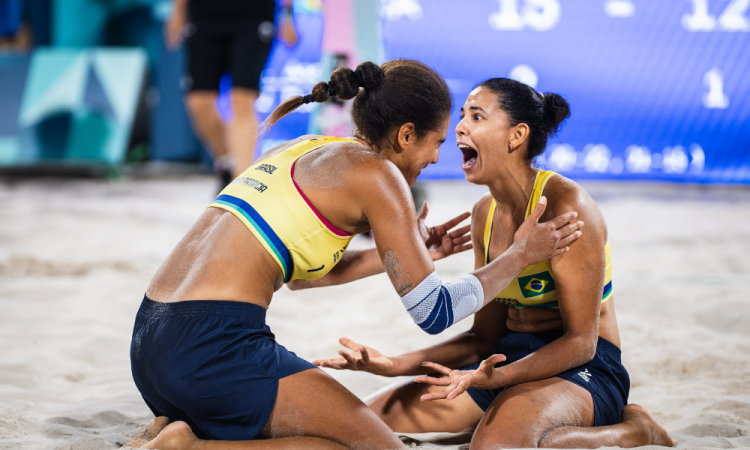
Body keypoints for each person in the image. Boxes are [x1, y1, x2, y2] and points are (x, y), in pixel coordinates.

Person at [125, 61, 584, 449]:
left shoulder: (307, 147)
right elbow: (434, 310)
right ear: (406, 135)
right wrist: (520, 255)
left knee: (340, 432)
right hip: (212, 348)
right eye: (437, 142)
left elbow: (303, 277)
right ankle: (194, 445)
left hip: (150, 342)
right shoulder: (380, 175)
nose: (435, 157)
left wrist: (409, 252)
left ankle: (188, 427)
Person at [313, 78, 676, 449]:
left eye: (477, 116)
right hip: (503, 360)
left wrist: (499, 379)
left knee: (495, 446)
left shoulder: (567, 207)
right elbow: (482, 337)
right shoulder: (484, 213)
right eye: (463, 115)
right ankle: (494, 426)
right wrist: (392, 364)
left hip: (583, 368)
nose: (460, 126)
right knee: (362, 427)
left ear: (516, 135)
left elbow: (581, 342)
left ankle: (636, 429)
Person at [164, 0, 293, 187]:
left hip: (253, 14)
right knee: (199, 102)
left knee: (242, 98)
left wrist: (287, 14)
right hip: (205, 14)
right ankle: (230, 162)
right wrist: (177, 11)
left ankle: (240, 185)